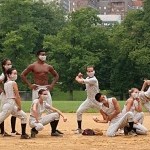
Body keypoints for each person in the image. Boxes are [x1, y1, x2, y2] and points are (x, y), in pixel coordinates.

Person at [0, 68, 30, 139]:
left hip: (10, 105)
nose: (15, 75)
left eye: (16, 73)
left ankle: (23, 134)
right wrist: (19, 106)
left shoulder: (6, 83)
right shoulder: (13, 83)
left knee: (24, 116)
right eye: (14, 73)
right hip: (9, 105)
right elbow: (17, 96)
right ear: (9, 75)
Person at [75, 66, 101, 134]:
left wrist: (77, 77)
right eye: (89, 71)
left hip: (96, 100)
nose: (90, 72)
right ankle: (79, 129)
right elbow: (83, 81)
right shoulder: (87, 78)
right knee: (79, 112)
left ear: (94, 71)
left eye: (91, 71)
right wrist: (80, 77)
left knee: (108, 112)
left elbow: (80, 81)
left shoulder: (94, 80)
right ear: (87, 72)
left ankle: (120, 128)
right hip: (89, 100)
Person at [0, 59, 20, 136]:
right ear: (3, 66)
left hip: (11, 96)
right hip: (5, 96)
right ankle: (2, 131)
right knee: (3, 113)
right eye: (7, 64)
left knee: (14, 112)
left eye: (10, 64)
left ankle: (13, 130)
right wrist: (2, 90)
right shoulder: (3, 75)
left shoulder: (11, 73)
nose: (9, 65)